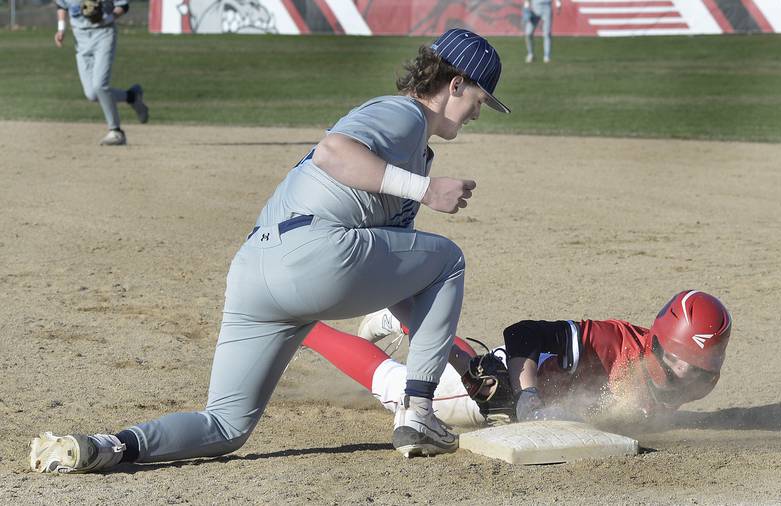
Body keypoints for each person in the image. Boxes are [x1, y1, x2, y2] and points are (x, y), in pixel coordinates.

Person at [29, 28, 510, 474]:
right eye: (480, 99)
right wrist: (425, 191)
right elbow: (333, 152)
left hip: (257, 272)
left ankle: (105, 446)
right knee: (448, 259)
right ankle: (419, 411)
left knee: (225, 427)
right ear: (456, 83)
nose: (477, 113)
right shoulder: (403, 113)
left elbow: (402, 286)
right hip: (315, 253)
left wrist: (460, 362)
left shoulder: (415, 149)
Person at [313, 290, 731, 427]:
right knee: (394, 388)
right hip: (497, 395)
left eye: (699, 364)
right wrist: (529, 398)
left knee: (476, 364)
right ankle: (306, 328)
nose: (686, 371)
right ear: (660, 343)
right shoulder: (611, 343)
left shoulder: (695, 380)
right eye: (680, 359)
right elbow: (523, 334)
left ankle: (402, 316)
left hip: (502, 377)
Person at [54, 0, 149, 145]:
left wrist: (108, 17)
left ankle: (116, 131)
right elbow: (61, 5)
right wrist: (61, 28)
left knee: (99, 85)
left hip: (103, 34)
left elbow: (123, 5)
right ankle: (132, 96)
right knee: (92, 94)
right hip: (80, 39)